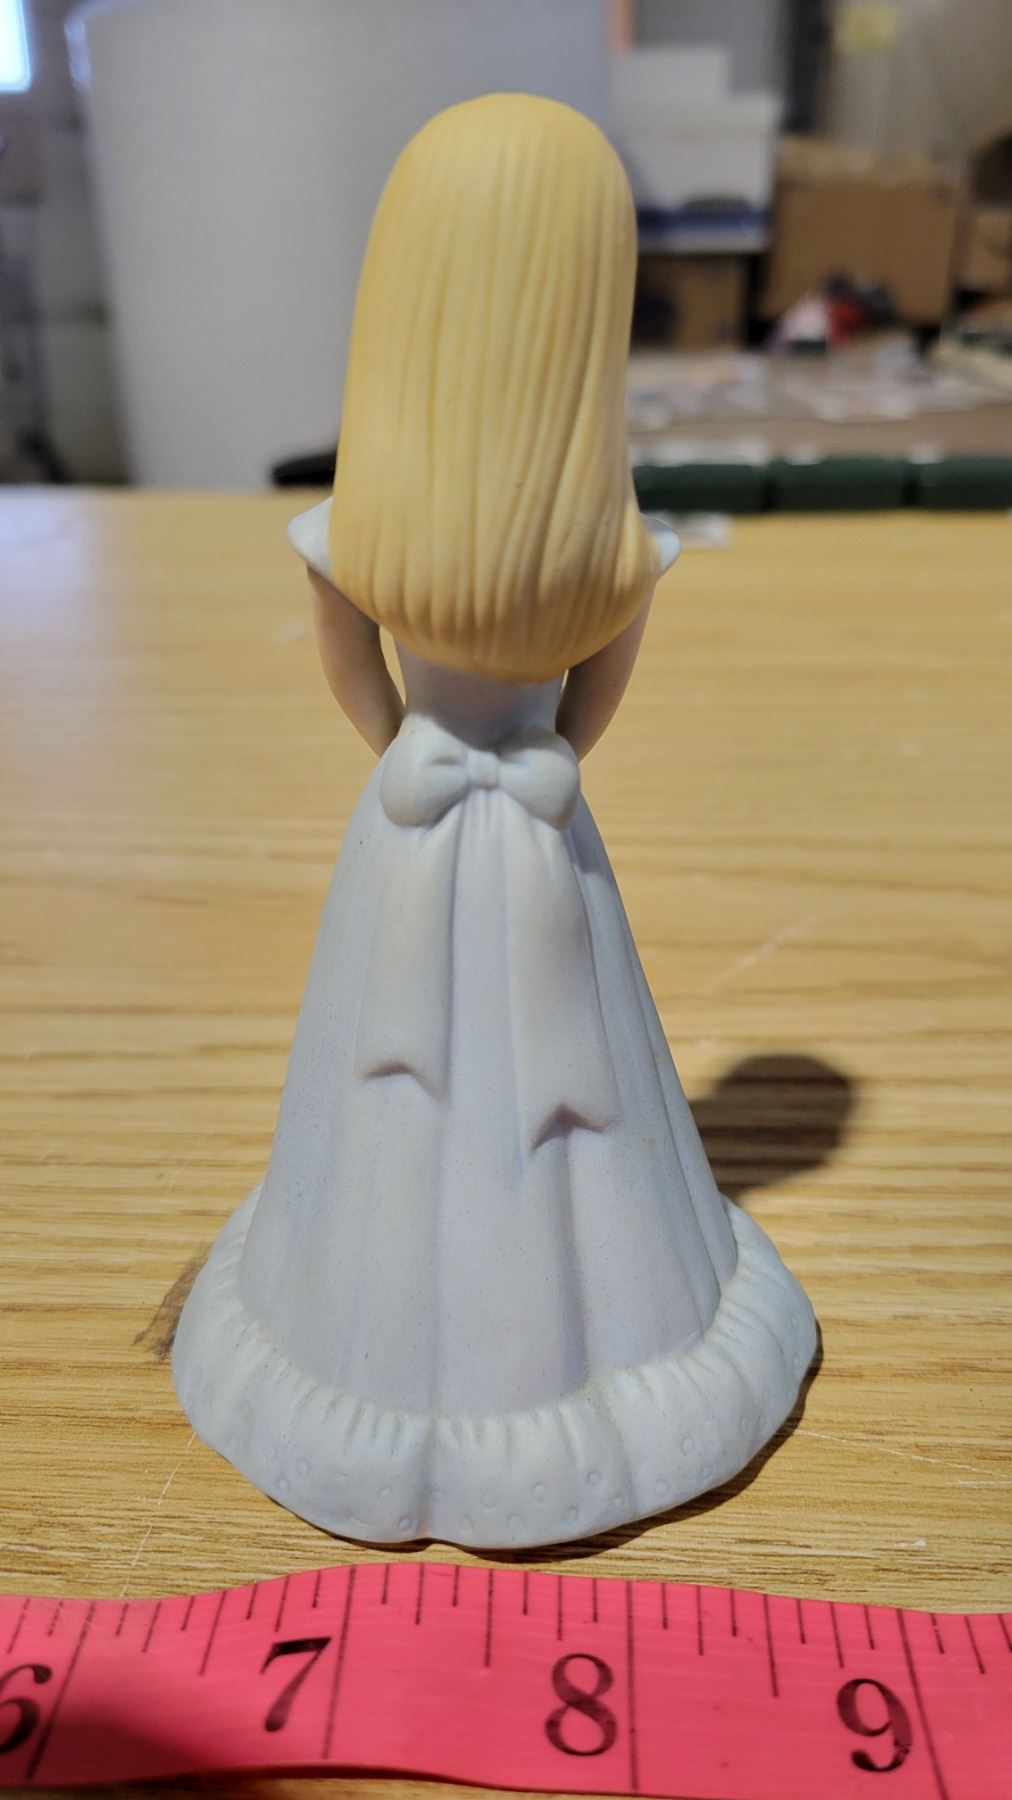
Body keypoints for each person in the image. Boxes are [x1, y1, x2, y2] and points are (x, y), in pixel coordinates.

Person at [174, 94, 815, 1548]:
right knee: (568, 1096)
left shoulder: (365, 529)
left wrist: (409, 763)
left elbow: (352, 676)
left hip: (411, 829)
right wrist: (541, 770)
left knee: (392, 1094)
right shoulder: (605, 551)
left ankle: (378, 1356)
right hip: (538, 828)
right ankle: (570, 1368)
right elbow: (595, 707)